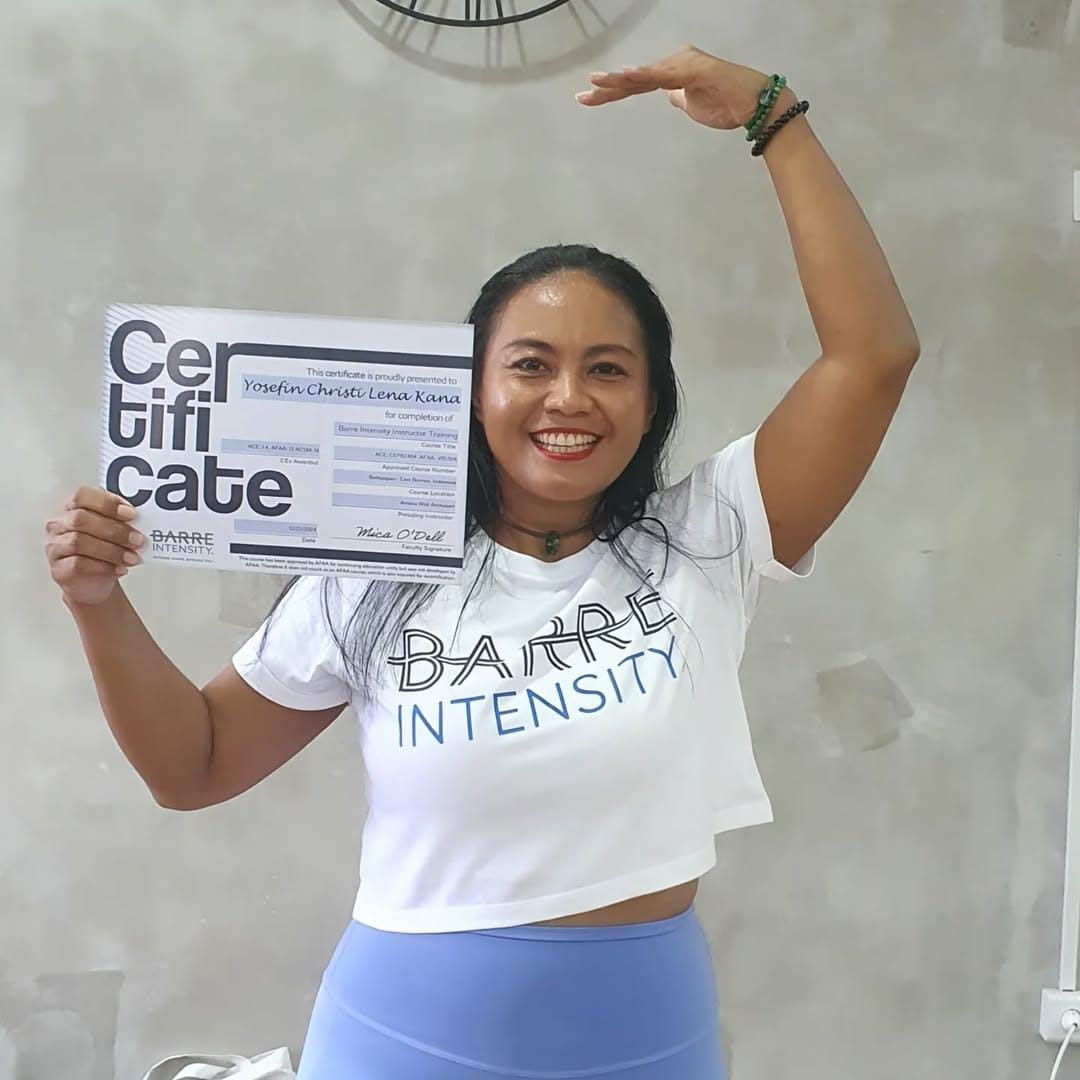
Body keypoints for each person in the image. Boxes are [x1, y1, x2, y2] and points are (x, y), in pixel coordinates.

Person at [44, 46, 920, 1080]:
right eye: (530, 366)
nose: (568, 399)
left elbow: (873, 357)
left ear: (651, 402)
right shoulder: (374, 574)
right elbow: (191, 767)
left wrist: (775, 117)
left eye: (608, 369)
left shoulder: (708, 536)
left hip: (647, 1041)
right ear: (471, 390)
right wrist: (98, 602)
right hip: (402, 1041)